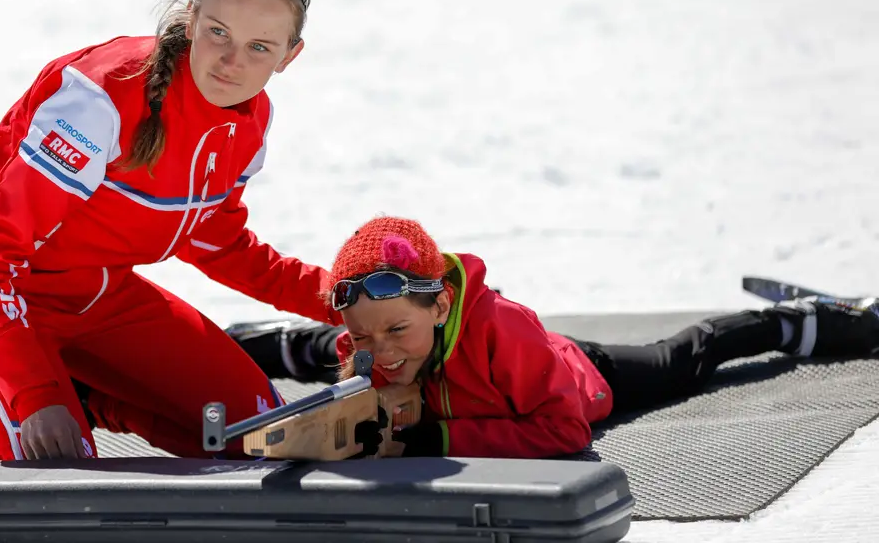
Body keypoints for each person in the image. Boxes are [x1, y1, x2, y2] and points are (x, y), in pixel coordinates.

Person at [0, 0, 342, 482]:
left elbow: (217, 243)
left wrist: (347, 302)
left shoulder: (249, 121)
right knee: (63, 478)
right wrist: (35, 396)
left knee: (256, 432)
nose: (231, 61)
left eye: (260, 47)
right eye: (218, 32)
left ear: (291, 55)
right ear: (192, 20)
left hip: (95, 290)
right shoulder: (100, 97)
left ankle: (90, 398)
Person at [229, 216, 879, 458]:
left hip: (581, 377)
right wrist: (355, 389)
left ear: (441, 303)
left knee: (691, 356)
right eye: (363, 334)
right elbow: (361, 360)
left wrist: (435, 438)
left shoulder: (501, 330)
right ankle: (250, 338)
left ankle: (801, 322)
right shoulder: (367, 340)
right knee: (319, 354)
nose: (382, 349)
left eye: (397, 328)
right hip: (491, 364)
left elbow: (564, 432)